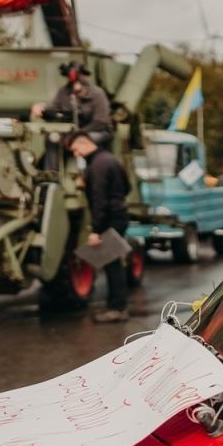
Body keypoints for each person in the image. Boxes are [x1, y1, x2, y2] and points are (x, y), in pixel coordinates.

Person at [66, 130, 133, 323]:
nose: (76, 154)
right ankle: (117, 306)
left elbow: (99, 201)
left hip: (109, 219)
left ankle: (117, 309)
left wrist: (96, 230)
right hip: (119, 215)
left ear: (85, 143)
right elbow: (127, 187)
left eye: (76, 149)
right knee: (115, 262)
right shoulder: (111, 159)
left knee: (112, 265)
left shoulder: (96, 166)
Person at [34, 63, 112, 136]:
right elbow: (54, 109)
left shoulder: (97, 93)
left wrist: (80, 134)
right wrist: (42, 109)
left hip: (96, 131)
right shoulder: (64, 92)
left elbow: (101, 121)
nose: (76, 88)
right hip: (71, 132)